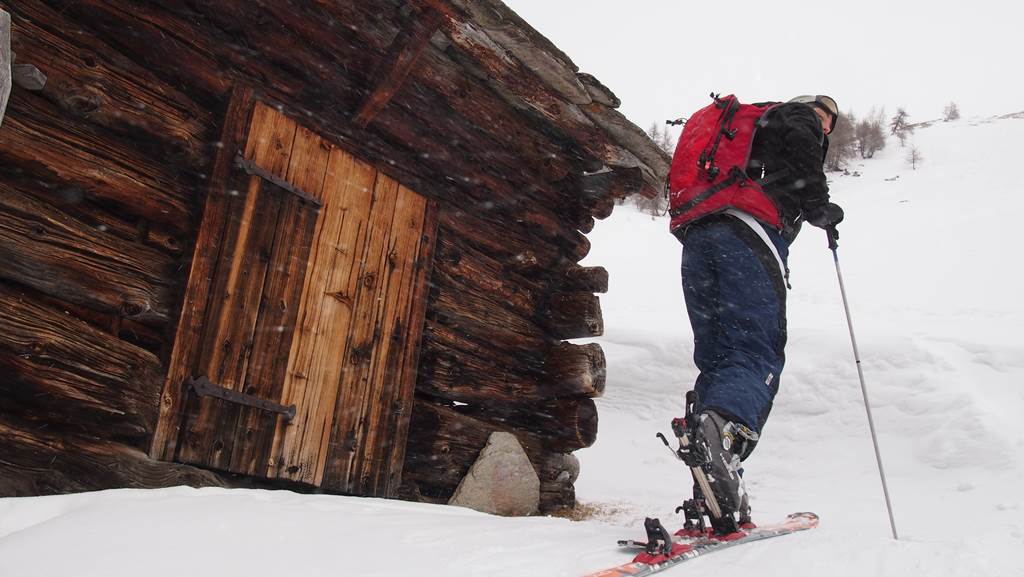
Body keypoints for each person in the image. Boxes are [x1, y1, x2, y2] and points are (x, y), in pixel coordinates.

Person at [673, 94, 844, 533]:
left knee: (717, 359)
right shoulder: (797, 115)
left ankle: (715, 490)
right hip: (748, 236)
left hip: (699, 239)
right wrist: (817, 203)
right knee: (755, 351)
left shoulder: (742, 132)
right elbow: (805, 142)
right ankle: (723, 431)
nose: (826, 127)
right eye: (828, 119)